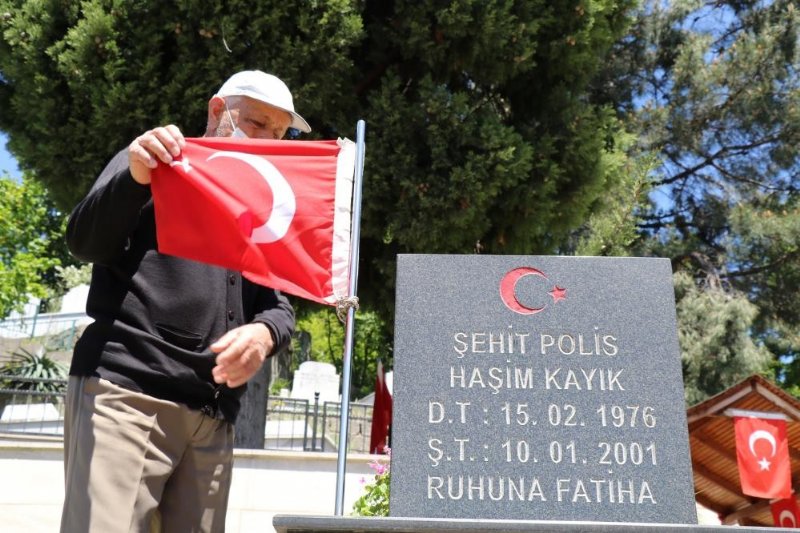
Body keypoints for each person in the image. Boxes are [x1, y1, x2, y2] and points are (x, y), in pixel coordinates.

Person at [60, 70, 310, 533]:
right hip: (127, 397)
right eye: (256, 124)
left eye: (280, 132)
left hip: (212, 420)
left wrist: (264, 332)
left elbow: (279, 306)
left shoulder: (265, 209)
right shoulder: (152, 164)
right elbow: (84, 241)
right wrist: (136, 175)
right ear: (218, 111)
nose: (269, 141)